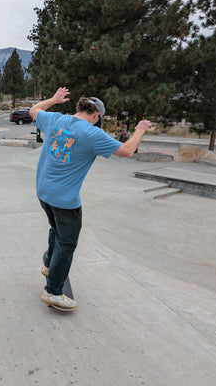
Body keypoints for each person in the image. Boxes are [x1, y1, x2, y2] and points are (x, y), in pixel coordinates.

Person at [29, 87, 152, 310]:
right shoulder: (93, 134)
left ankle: (49, 264)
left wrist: (55, 100)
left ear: (80, 108)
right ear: (96, 116)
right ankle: (53, 291)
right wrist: (140, 130)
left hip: (43, 192)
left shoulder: (55, 119)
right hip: (65, 201)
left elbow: (34, 110)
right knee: (67, 242)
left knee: (56, 230)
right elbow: (127, 151)